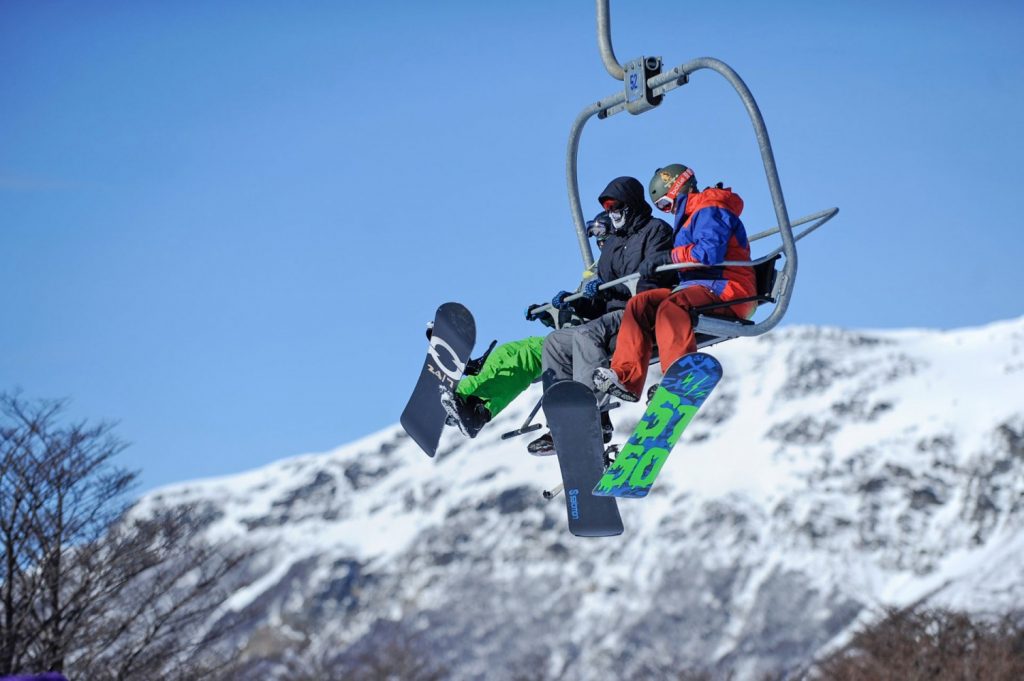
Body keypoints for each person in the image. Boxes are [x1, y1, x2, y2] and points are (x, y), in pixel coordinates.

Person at [527, 176, 675, 454]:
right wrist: (578, 304)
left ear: (630, 204)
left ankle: (586, 415)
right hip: (611, 316)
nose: (611, 214)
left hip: (640, 311)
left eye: (615, 207)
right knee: (556, 342)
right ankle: (560, 422)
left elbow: (653, 278)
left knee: (586, 334)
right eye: (607, 209)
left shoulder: (656, 230)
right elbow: (601, 301)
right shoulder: (613, 243)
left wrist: (611, 288)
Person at [440, 213, 616, 438]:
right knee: (507, 351)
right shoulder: (597, 267)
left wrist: (584, 300)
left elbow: (609, 304)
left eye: (601, 233)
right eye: (595, 235)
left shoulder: (617, 261)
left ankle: (480, 410)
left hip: (597, 335)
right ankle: (462, 396)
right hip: (577, 331)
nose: (599, 240)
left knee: (528, 356)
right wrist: (552, 313)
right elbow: (583, 307)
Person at [592, 163, 756, 402]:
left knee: (672, 307)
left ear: (678, 188)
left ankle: (680, 378)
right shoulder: (691, 215)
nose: (667, 211)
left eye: (666, 204)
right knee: (640, 304)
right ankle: (626, 377)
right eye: (661, 207)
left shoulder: (710, 208)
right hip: (698, 288)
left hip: (727, 288)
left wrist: (668, 257)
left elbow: (709, 253)